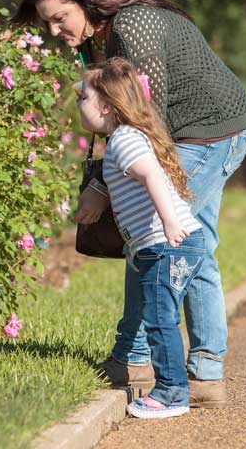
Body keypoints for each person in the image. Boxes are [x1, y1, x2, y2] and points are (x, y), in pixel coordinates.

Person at [12, 0, 246, 407]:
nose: (53, 31)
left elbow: (145, 122)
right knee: (187, 239)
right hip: (180, 132)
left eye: (59, 18)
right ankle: (201, 372)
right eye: (46, 23)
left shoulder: (134, 25)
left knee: (160, 236)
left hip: (211, 130)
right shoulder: (97, 39)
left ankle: (136, 358)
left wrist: (102, 187)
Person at [77, 58, 203, 418]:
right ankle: (171, 389)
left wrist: (168, 222)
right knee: (161, 317)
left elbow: (151, 176)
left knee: (160, 319)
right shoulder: (127, 138)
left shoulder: (122, 141)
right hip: (167, 247)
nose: (78, 104)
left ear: (106, 105)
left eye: (83, 97)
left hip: (167, 246)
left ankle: (171, 395)